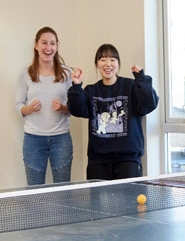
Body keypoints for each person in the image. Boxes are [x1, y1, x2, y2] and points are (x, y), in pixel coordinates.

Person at [67, 44, 158, 180]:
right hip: (98, 161)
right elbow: (77, 110)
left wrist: (142, 80)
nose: (108, 64)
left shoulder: (131, 86)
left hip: (128, 160)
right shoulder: (91, 90)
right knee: (96, 201)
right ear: (97, 64)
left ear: (118, 64)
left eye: (112, 60)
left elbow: (149, 104)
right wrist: (76, 86)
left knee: (129, 201)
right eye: (103, 60)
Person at [15, 27, 73, 185]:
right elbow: (18, 104)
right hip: (33, 139)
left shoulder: (68, 74)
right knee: (35, 191)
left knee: (63, 189)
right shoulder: (25, 74)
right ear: (36, 45)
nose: (48, 48)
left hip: (61, 138)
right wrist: (29, 109)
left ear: (57, 47)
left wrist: (63, 108)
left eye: (52, 43)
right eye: (44, 43)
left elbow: (74, 107)